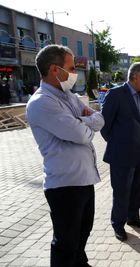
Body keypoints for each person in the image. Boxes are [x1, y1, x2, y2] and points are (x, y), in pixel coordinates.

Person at [26, 44, 104, 267]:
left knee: (82, 234)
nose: (74, 74)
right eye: (71, 68)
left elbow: (99, 119)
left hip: (84, 178)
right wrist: (84, 122)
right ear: (54, 69)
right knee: (66, 243)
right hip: (65, 183)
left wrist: (82, 121)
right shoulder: (42, 102)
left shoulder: (67, 95)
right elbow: (80, 134)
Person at [101, 62, 140, 241]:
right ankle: (118, 224)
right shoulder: (115, 94)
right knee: (121, 192)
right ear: (135, 77)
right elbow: (104, 125)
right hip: (121, 154)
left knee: (138, 189)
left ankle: (133, 217)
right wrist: (118, 144)